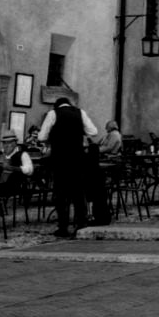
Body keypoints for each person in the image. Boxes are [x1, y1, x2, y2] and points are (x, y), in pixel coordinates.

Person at [37, 96, 98, 237]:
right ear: (69, 104)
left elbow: (41, 137)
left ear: (56, 106)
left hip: (60, 159)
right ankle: (81, 223)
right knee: (78, 192)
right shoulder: (80, 112)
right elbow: (93, 132)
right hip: (77, 158)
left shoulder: (53, 114)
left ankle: (63, 227)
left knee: (61, 194)